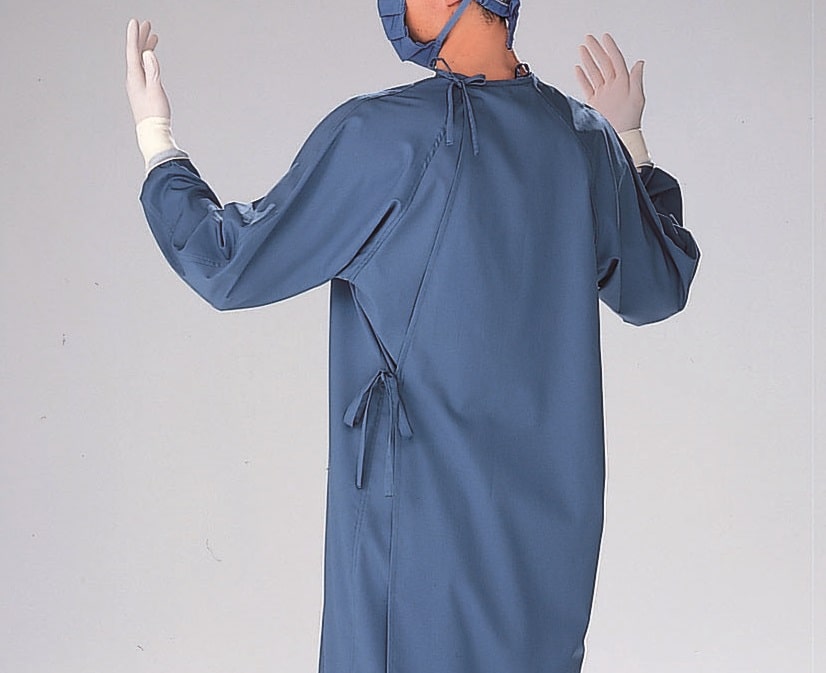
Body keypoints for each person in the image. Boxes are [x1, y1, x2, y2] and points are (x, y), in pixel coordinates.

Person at [125, 2, 700, 671]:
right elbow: (658, 286)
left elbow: (228, 262)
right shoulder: (582, 141)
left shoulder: (388, 137)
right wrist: (629, 143)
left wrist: (158, 143)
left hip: (420, 544)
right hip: (546, 562)